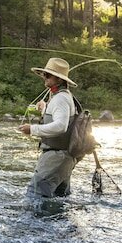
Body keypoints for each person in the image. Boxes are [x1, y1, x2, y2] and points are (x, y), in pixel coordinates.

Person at [17, 57, 78, 198]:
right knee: (59, 198)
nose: (44, 77)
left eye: (48, 75)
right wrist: (45, 108)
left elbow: (61, 126)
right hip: (63, 158)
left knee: (35, 195)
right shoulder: (62, 96)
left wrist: (32, 129)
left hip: (56, 157)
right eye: (44, 74)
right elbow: (60, 118)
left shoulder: (60, 98)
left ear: (59, 79)